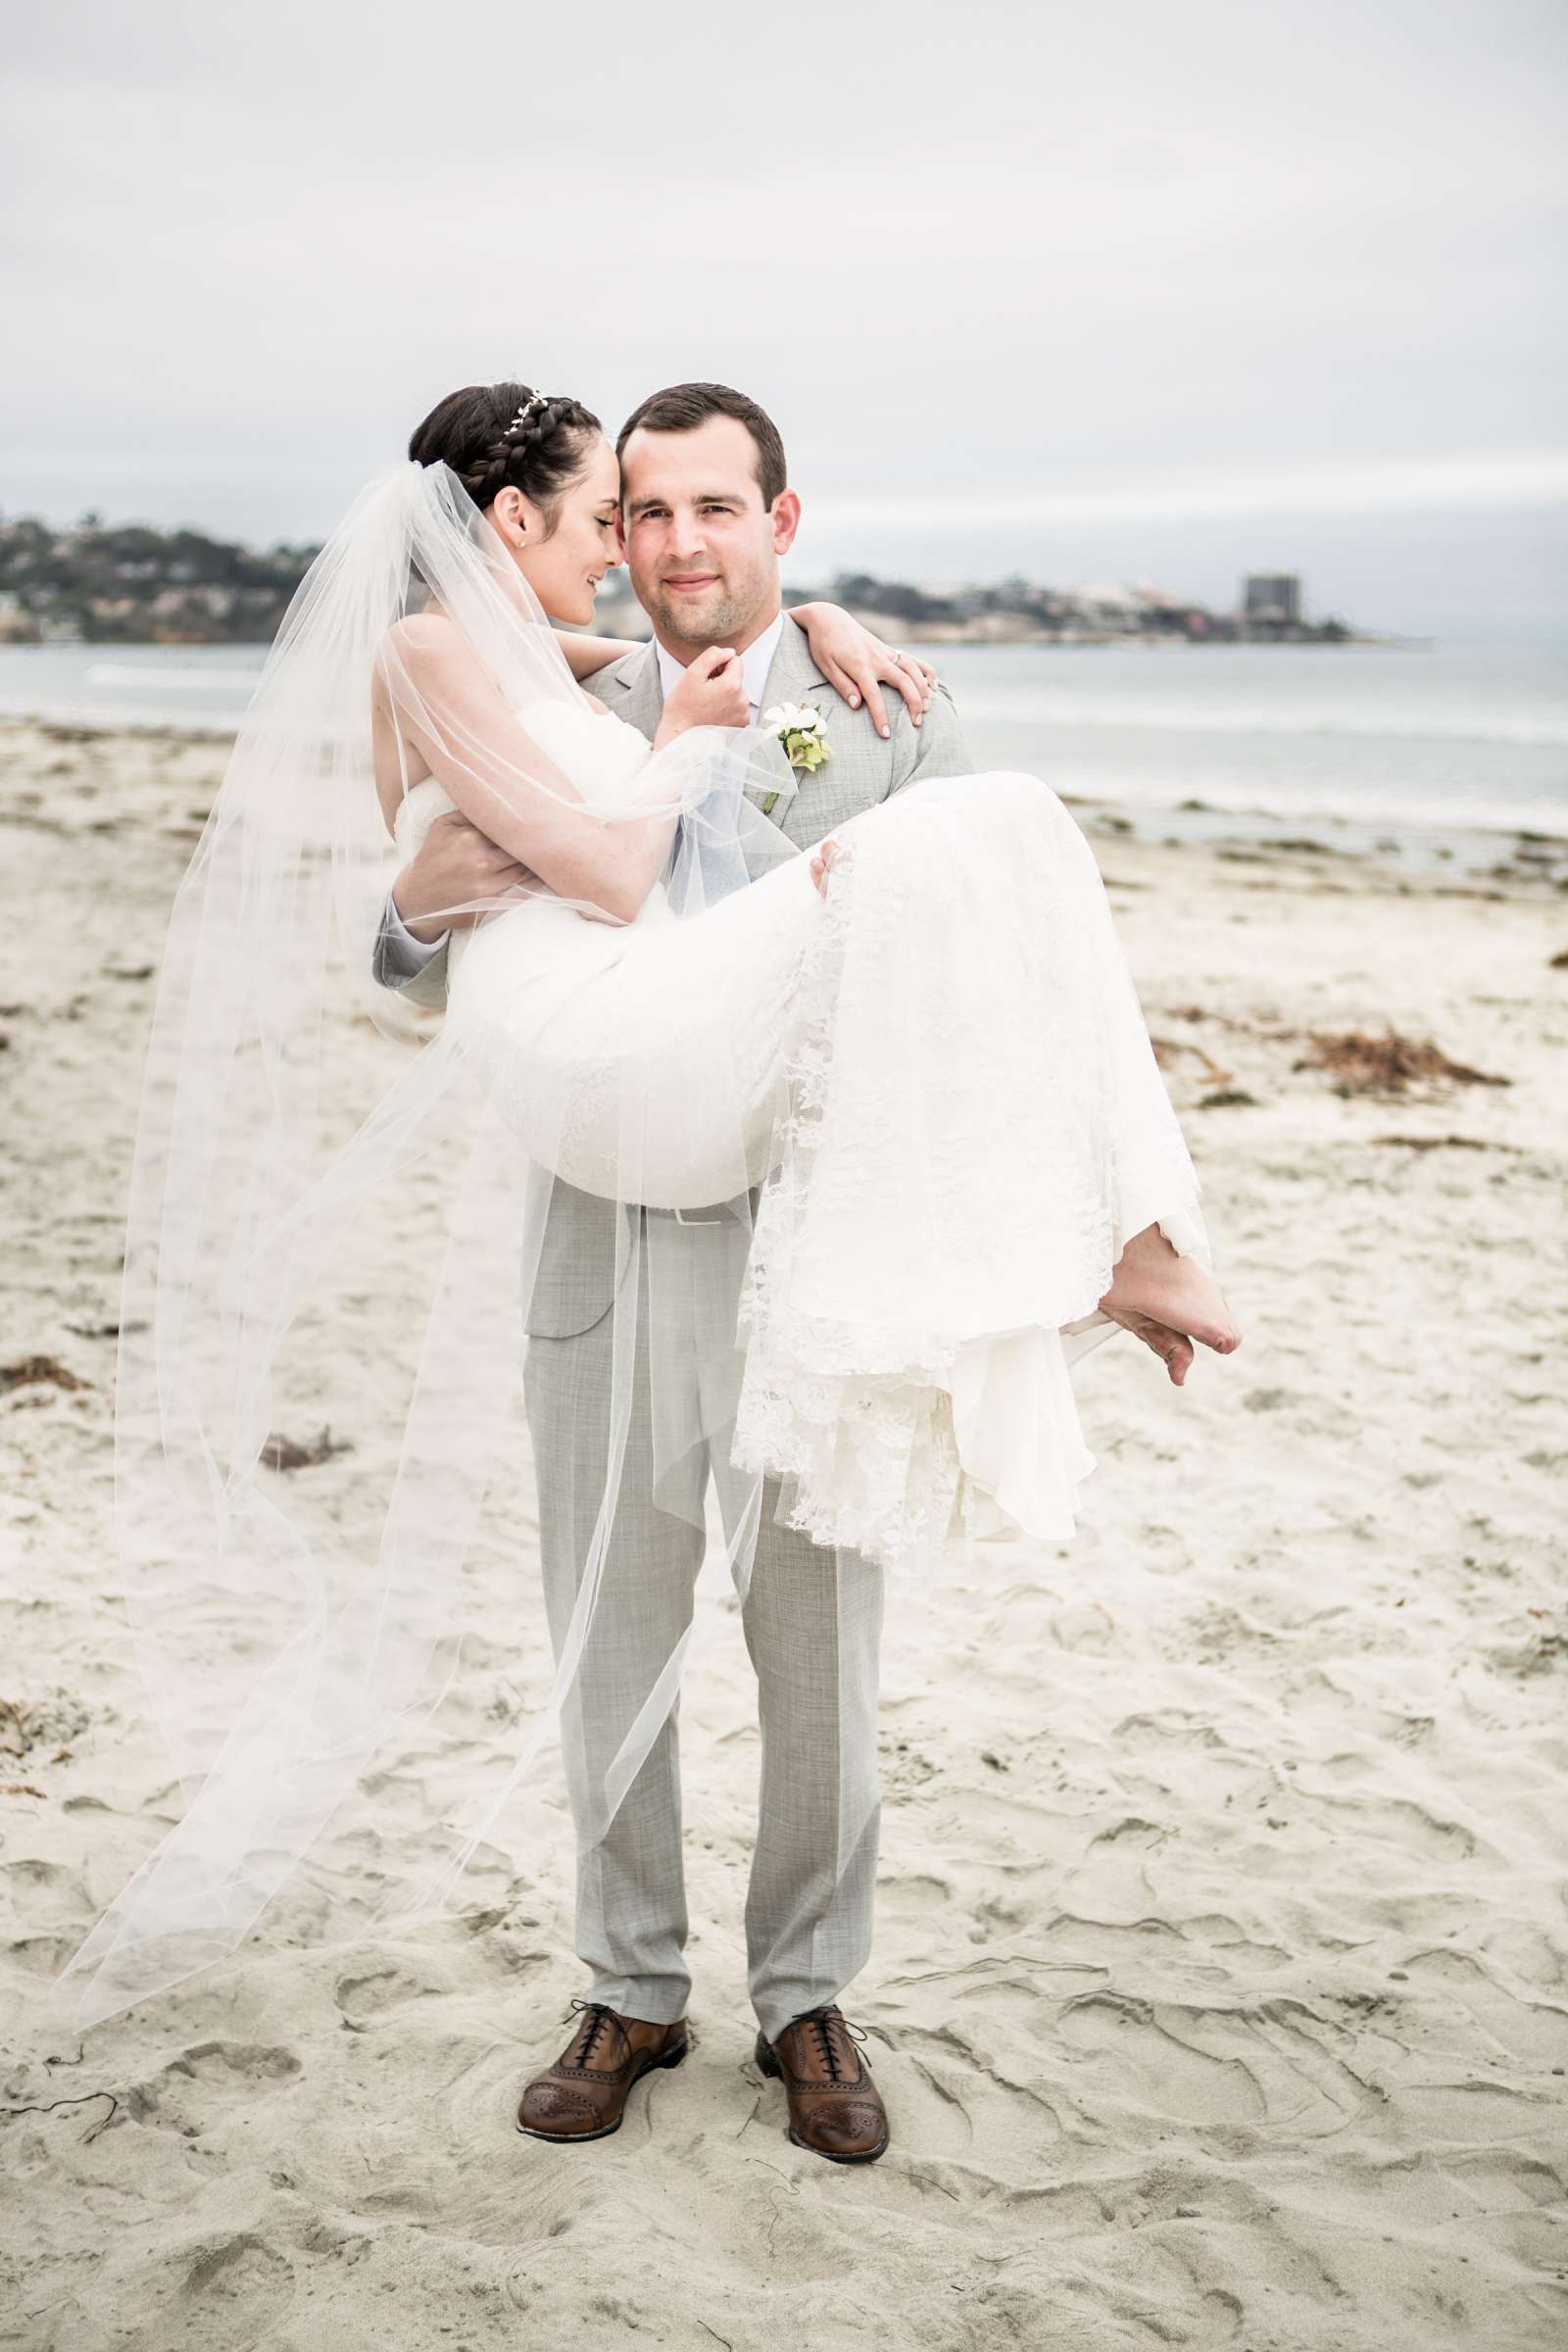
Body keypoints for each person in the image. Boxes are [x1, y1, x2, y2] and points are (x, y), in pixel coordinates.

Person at [55, 382, 1239, 2180]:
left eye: (715, 512)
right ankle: (624, 1985)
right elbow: (405, 942)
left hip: (810, 1243)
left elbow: (963, 977)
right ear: (611, 530)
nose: (679, 543)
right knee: (613, 1639)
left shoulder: (883, 709)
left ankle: (810, 1996)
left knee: (820, 1647)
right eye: (649, 511)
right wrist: (442, 888)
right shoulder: (568, 685)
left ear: (781, 522)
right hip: (600, 1241)